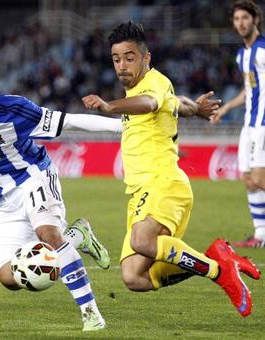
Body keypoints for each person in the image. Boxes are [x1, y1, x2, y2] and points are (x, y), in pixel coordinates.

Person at [0, 44, 124, 331]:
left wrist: (122, 129)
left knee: (49, 235)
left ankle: (90, 312)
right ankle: (78, 237)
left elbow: (69, 123)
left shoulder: (12, 109)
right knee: (9, 277)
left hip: (33, 177)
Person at [82, 22, 261, 317]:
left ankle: (220, 272)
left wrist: (109, 106)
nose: (122, 65)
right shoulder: (154, 89)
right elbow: (178, 103)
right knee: (134, 277)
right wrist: (197, 110)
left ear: (146, 58)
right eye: (116, 59)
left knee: (142, 241)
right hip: (142, 193)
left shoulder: (153, 83)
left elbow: (151, 103)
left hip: (163, 184)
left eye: (130, 57)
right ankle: (215, 259)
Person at [212, 0, 265, 248]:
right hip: (249, 125)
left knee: (260, 177)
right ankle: (260, 235)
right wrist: (225, 108)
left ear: (255, 19)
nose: (241, 23)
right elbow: (248, 91)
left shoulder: (263, 50)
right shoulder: (242, 55)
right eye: (236, 19)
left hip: (263, 124)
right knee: (248, 179)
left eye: (245, 17)